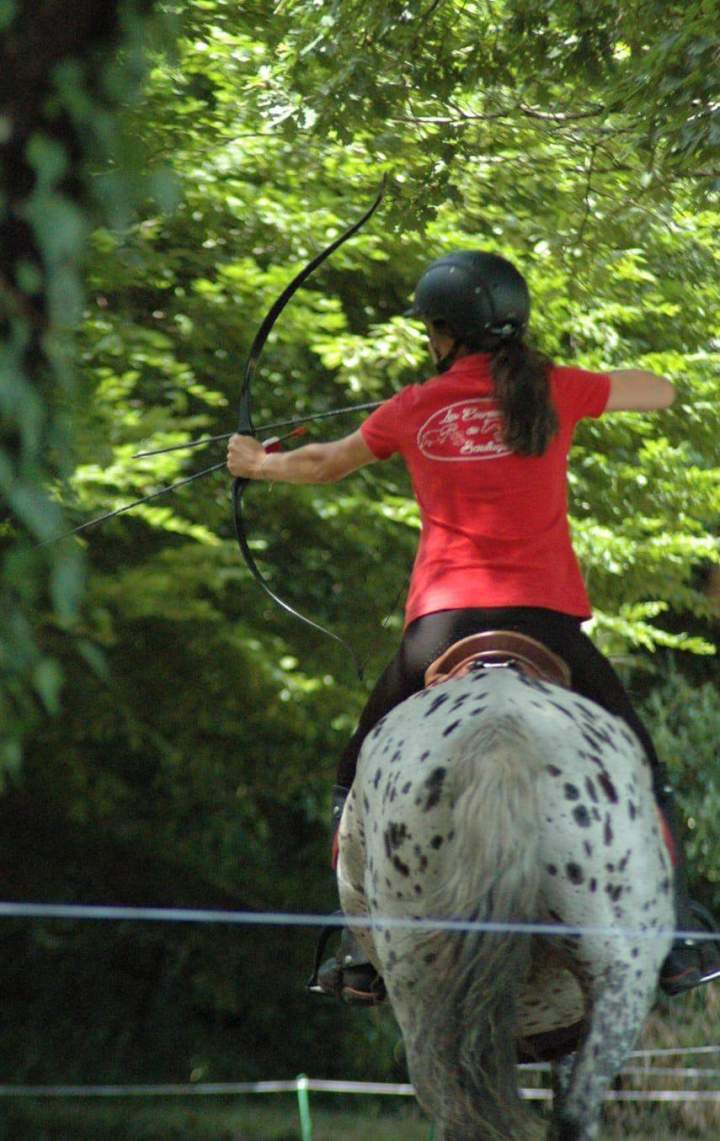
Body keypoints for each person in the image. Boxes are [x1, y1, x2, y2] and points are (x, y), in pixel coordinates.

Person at [227, 249, 720, 1001]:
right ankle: (679, 939)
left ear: (448, 333)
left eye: (432, 328)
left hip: (443, 622)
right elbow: (661, 389)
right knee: (646, 774)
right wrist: (573, 382)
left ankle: (362, 948)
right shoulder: (555, 389)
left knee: (357, 774)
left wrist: (255, 465)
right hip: (546, 621)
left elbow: (324, 463)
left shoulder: (413, 406)